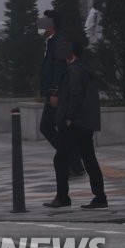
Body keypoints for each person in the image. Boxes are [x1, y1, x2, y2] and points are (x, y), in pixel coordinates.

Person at [44, 41, 108, 209]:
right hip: (85, 123)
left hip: (75, 123)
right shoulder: (83, 68)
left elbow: (75, 95)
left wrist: (69, 117)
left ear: (71, 53)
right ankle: (100, 197)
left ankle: (63, 198)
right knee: (89, 159)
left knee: (60, 159)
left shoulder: (74, 70)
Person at [39, 10, 85, 176]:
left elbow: (62, 68)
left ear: (52, 24)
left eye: (44, 21)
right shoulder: (51, 41)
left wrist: (55, 91)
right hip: (52, 92)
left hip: (58, 93)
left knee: (49, 127)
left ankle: (74, 160)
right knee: (50, 127)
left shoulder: (62, 41)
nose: (41, 24)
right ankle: (74, 160)